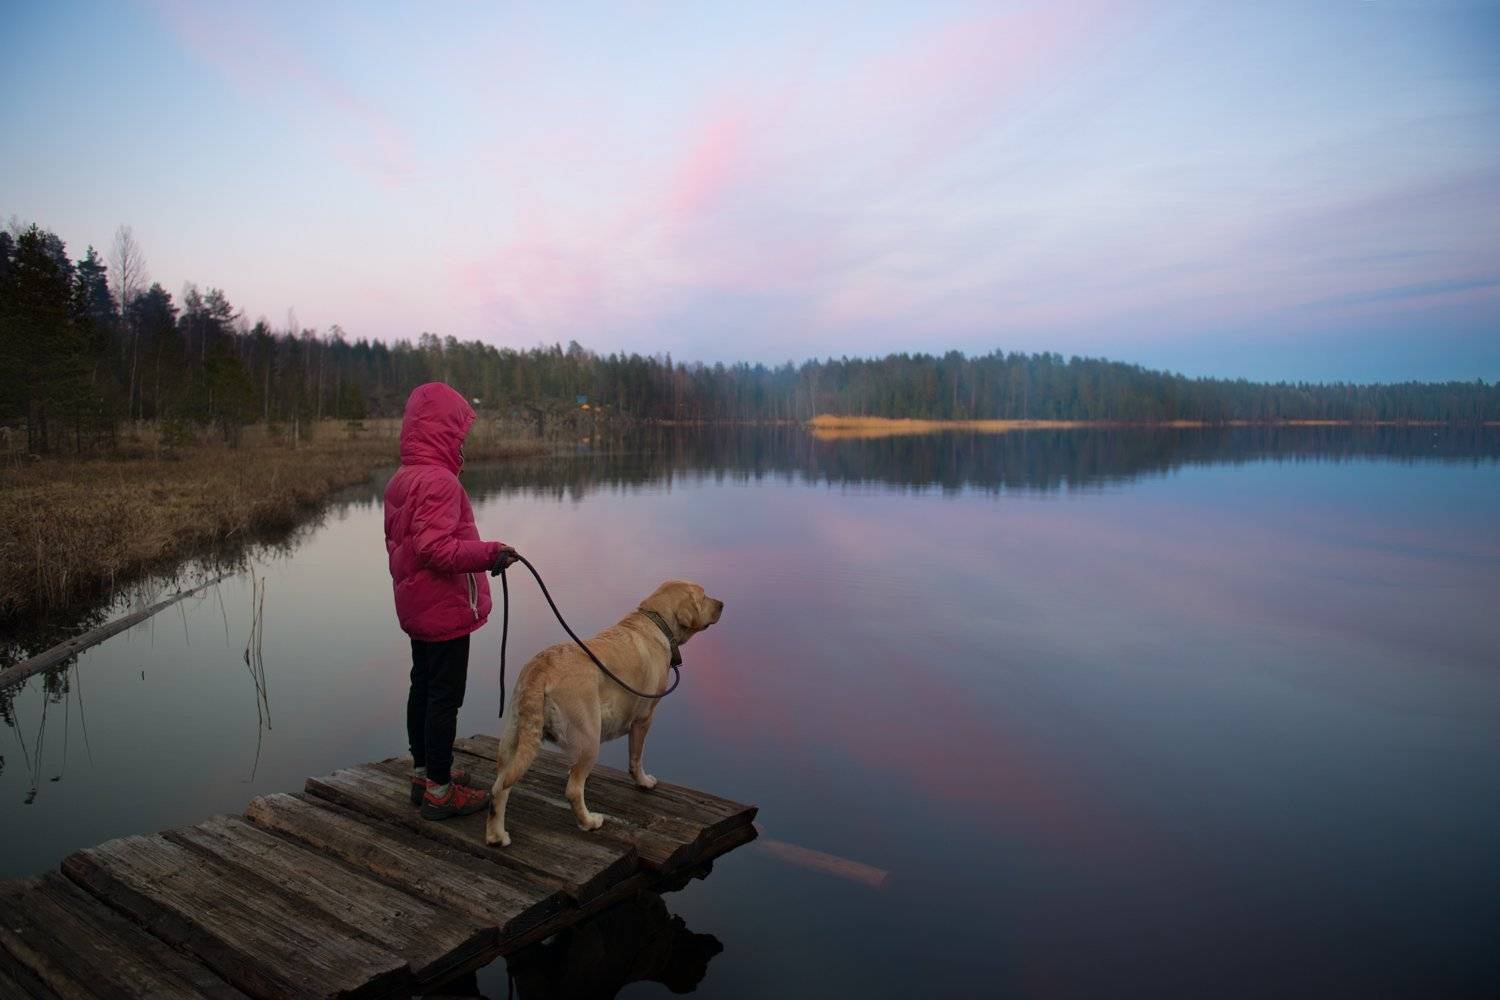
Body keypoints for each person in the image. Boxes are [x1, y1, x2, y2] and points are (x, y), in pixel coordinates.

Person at [384, 382, 519, 820]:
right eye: (459, 434)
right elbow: (434, 550)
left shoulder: (403, 477)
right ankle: (440, 793)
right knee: (444, 697)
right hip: (443, 609)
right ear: (444, 433)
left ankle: (425, 777)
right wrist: (491, 551)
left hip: (416, 605)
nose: (463, 442)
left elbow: (415, 546)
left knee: (422, 688)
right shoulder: (439, 481)